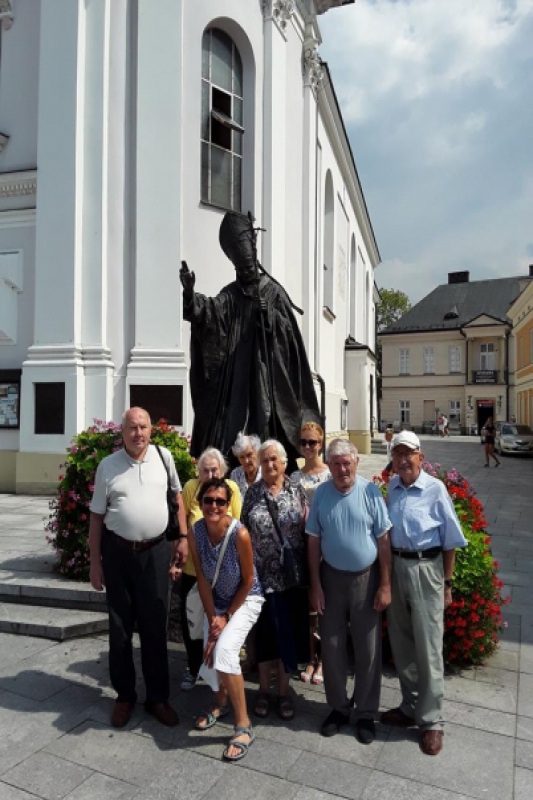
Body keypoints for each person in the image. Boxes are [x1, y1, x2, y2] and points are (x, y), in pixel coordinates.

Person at [180, 211, 320, 468]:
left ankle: (274, 465)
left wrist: (270, 318)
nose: (246, 273)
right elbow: (211, 312)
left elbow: (289, 338)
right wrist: (190, 296)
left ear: (255, 261)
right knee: (233, 427)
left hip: (269, 377)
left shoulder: (274, 292)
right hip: (237, 380)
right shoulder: (231, 294)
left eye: (249, 267)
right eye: (240, 269)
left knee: (268, 424)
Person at [88, 407, 187, 728]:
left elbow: (177, 498)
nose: (138, 433)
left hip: (156, 553)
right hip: (117, 555)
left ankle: (157, 698)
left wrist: (182, 538)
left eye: (143, 427)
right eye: (132, 428)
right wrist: (95, 563)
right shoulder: (108, 467)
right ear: (122, 432)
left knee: (155, 627)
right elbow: (97, 517)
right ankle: (125, 696)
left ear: (150, 430)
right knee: (119, 631)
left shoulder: (164, 458)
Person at [382, 430, 467, 756]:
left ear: (421, 456)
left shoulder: (435, 489)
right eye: (397, 454)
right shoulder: (392, 487)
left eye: (408, 453)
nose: (402, 459)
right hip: (397, 568)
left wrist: (446, 584)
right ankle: (409, 707)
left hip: (426, 568)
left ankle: (432, 721)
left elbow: (451, 542)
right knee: (402, 644)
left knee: (429, 648)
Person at [307, 439, 392, 745]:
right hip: (331, 578)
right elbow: (313, 541)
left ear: (356, 462)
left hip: (365, 580)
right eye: (336, 463)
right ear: (328, 466)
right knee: (331, 646)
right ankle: (338, 708)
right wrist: (315, 585)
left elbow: (383, 541)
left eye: (347, 463)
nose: (342, 469)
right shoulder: (321, 495)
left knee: (368, 649)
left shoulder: (370, 492)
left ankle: (367, 712)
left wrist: (385, 584)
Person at [184, 478, 264, 762]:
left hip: (244, 600)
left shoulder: (238, 534)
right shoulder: (195, 531)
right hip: (215, 602)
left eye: (220, 501)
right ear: (200, 503)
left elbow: (249, 579)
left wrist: (226, 617)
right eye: (208, 500)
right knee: (211, 653)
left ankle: (243, 726)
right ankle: (221, 704)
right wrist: (213, 621)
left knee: (226, 651)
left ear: (228, 504)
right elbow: (203, 579)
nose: (214, 506)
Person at [241, 439, 310, 721]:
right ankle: (263, 690)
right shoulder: (253, 493)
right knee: (266, 637)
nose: (270, 464)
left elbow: (308, 529)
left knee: (288, 638)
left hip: (291, 580)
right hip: (261, 578)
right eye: (265, 459)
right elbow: (243, 532)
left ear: (284, 463)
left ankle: (283, 692)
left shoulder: (297, 490)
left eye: (274, 459)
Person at [179, 448, 242, 690]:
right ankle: (193, 667)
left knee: (219, 624)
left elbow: (235, 524)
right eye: (205, 470)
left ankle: (220, 672)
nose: (209, 473)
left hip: (221, 574)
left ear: (222, 471)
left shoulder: (231, 489)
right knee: (192, 624)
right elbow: (182, 518)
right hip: (193, 571)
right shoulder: (190, 488)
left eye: (214, 469)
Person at [290, 421, 331, 685]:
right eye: (303, 442)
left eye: (312, 442)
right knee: (307, 605)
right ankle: (310, 657)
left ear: (321, 443)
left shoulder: (329, 474)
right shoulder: (295, 477)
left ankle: (325, 659)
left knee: (326, 604)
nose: (308, 447)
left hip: (327, 544)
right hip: (303, 543)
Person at [230, 432, 262, 501]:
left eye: (249, 455)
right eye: (242, 457)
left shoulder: (265, 473)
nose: (246, 461)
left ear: (257, 452)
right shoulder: (235, 474)